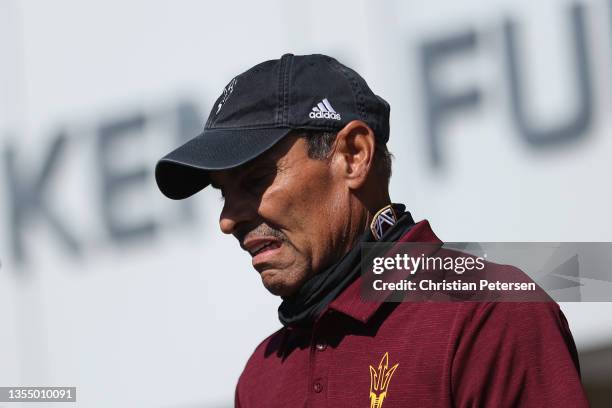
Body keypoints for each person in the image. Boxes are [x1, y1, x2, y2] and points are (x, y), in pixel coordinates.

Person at [155, 54, 589, 407]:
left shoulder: (485, 313)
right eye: (222, 193)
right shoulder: (262, 376)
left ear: (354, 155)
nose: (228, 219)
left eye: (254, 181)